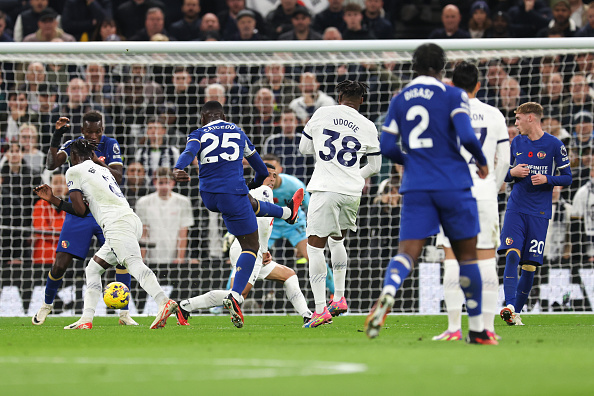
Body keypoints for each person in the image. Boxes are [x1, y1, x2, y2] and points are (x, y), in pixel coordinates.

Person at [364, 43, 494, 345]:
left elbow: (385, 147)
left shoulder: (399, 99)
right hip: (452, 183)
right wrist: (483, 161)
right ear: (443, 67)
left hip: (416, 185)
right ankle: (477, 330)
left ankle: (388, 291)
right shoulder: (453, 94)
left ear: (413, 67)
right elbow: (466, 136)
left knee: (407, 253)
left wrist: (411, 161)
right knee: (467, 256)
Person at [173, 100, 304, 328]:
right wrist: (253, 182)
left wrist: (178, 168)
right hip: (232, 192)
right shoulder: (237, 131)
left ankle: (286, 212)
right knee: (251, 246)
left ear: (204, 118)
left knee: (250, 201)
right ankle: (235, 297)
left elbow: (189, 151)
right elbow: (262, 169)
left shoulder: (199, 132)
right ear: (223, 115)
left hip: (208, 196)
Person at [34, 139, 179, 329]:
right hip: (129, 219)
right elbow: (87, 209)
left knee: (134, 264)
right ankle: (86, 320)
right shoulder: (103, 169)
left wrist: (52, 199)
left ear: (73, 156)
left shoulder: (74, 171)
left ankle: (163, 301)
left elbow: (80, 210)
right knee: (93, 269)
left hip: (116, 224)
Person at [32, 111, 137, 327]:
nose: (93, 136)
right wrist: (57, 135)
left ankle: (124, 314)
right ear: (82, 131)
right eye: (89, 132)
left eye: (97, 131)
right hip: (79, 212)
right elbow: (52, 164)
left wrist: (96, 163)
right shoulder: (73, 145)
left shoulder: (110, 145)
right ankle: (46, 305)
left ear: (102, 129)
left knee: (121, 257)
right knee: (60, 264)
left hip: (104, 212)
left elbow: (118, 177)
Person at [432, 61, 510, 342]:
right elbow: (506, 159)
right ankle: (486, 329)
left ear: (452, 84)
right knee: (486, 258)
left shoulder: (443, 114)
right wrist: (492, 185)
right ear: (479, 85)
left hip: (452, 194)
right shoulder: (494, 114)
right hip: (484, 193)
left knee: (452, 259)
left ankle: (454, 328)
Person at [177, 164, 313, 324]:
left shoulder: (246, 194)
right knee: (237, 295)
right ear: (257, 175)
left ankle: (307, 315)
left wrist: (263, 248)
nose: (272, 179)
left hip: (244, 247)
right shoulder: (264, 191)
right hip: (252, 250)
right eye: (268, 174)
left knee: (288, 276)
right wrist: (262, 249)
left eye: (274, 176)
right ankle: (187, 306)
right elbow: (261, 224)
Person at [299, 80, 381, 328]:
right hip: (351, 193)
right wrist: (354, 175)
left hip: (325, 189)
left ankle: (320, 309)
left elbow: (304, 149)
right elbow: (375, 167)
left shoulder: (323, 112)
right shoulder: (368, 125)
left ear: (340, 95)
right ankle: (340, 298)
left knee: (314, 248)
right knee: (337, 240)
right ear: (362, 101)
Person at [499, 102, 572, 326]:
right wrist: (513, 172)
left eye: (518, 119)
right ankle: (509, 305)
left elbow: (567, 177)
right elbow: (504, 174)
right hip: (516, 208)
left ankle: (515, 312)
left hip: (540, 212)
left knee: (529, 266)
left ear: (531, 118)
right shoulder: (516, 142)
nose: (516, 123)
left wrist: (548, 179)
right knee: (512, 254)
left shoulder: (554, 145)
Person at [136, 167, 194, 265]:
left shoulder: (183, 202)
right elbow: (143, 233)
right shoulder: (143, 202)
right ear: (155, 182)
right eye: (161, 183)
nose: (164, 187)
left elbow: (183, 233)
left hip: (173, 255)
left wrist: (180, 257)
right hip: (152, 257)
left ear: (173, 183)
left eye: (167, 182)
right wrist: (142, 259)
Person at [32, 172, 67, 264]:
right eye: (55, 183)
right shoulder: (40, 205)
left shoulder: (73, 206)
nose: (59, 186)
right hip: (43, 257)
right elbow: (41, 230)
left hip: (65, 257)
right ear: (49, 186)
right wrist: (63, 235)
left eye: (62, 183)